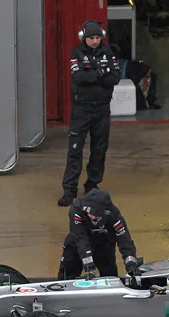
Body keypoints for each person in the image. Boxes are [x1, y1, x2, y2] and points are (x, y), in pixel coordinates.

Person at [58, 21, 122, 207]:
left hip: (102, 109)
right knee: (75, 150)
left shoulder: (108, 52)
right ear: (83, 38)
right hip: (81, 110)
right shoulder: (77, 53)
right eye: (91, 38)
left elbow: (115, 78)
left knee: (99, 150)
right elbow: (78, 77)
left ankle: (92, 186)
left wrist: (93, 74)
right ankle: (69, 190)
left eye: (97, 38)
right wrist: (102, 72)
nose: (94, 41)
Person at [57, 189, 140, 280]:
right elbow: (81, 238)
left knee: (110, 276)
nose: (92, 216)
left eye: (97, 214)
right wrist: (89, 268)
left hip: (104, 244)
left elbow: (124, 239)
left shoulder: (113, 214)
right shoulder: (76, 209)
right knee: (67, 275)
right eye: (90, 213)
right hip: (77, 244)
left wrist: (131, 265)